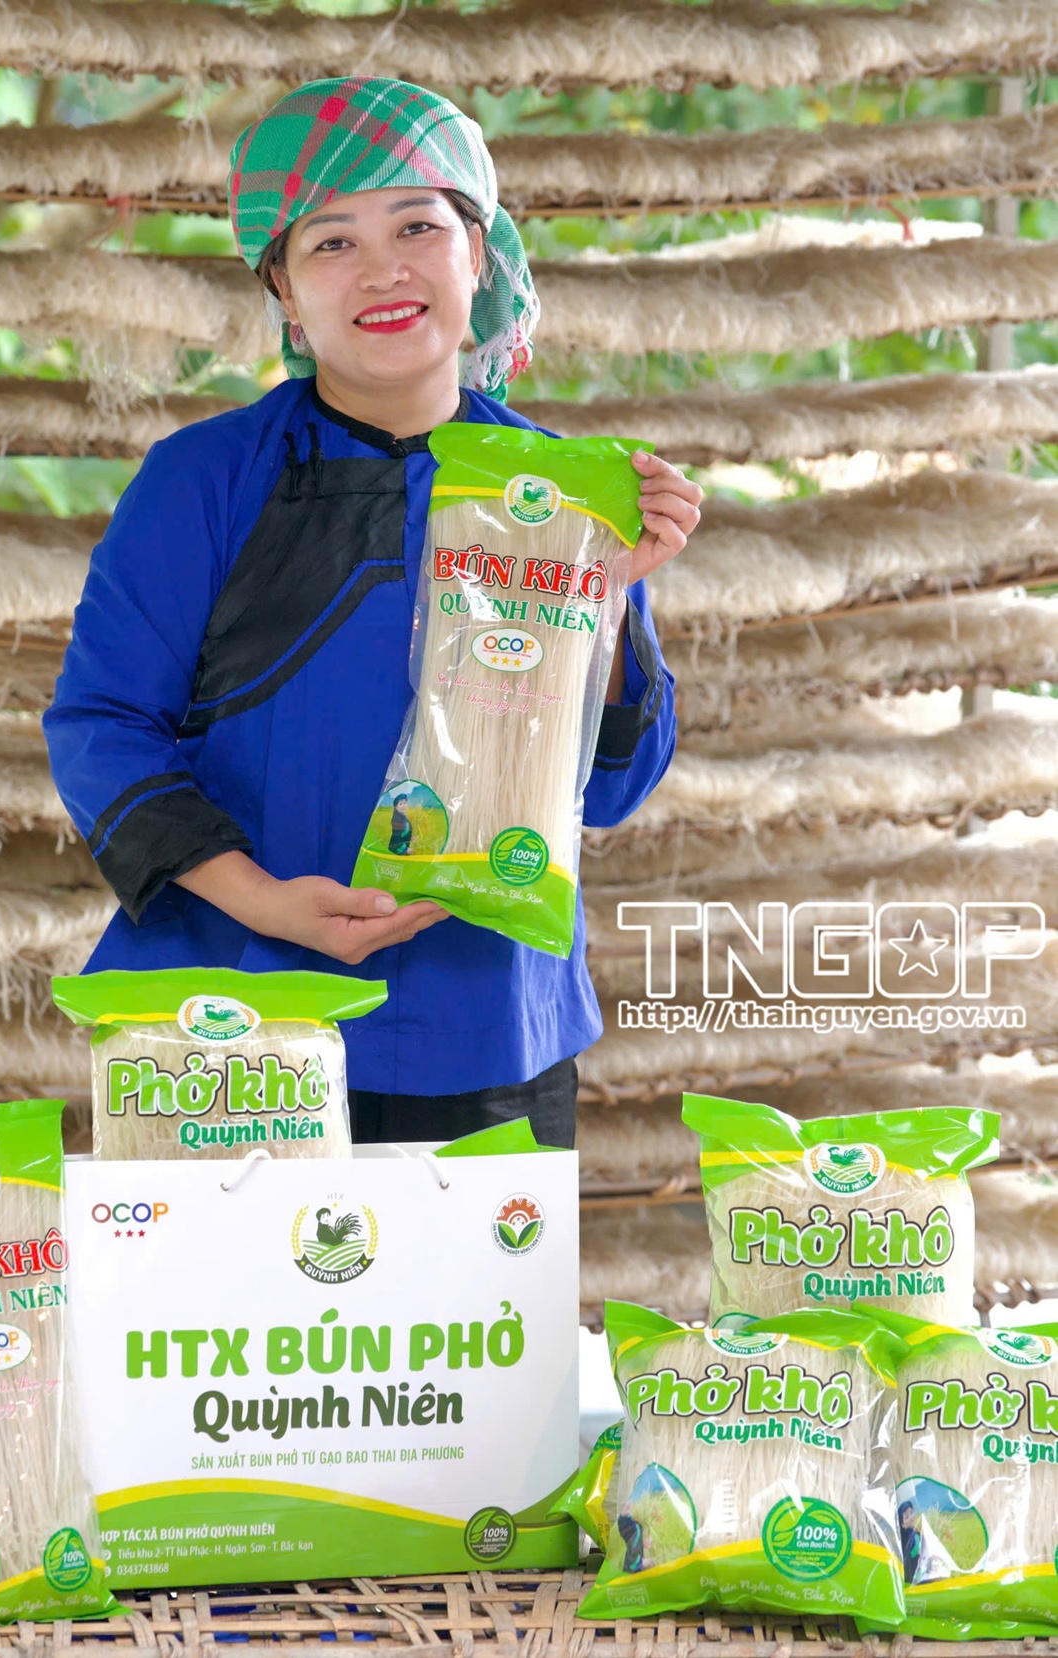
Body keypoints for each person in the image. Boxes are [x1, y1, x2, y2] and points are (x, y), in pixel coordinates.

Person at [43, 76, 701, 1149]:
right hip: (235, 1022)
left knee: (476, 1272)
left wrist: (611, 592)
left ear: (477, 254)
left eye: (417, 227)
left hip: (487, 1029)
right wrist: (264, 901)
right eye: (332, 242)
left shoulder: (562, 492)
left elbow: (613, 789)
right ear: (284, 289)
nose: (383, 270)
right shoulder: (202, 480)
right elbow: (103, 728)